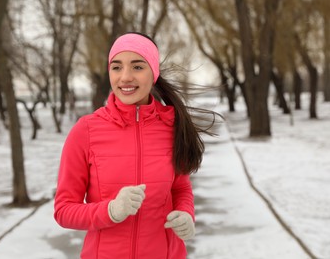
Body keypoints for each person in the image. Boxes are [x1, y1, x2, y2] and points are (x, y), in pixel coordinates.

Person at [54, 32, 217, 258]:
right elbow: (64, 210)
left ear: (154, 72)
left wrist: (185, 213)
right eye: (117, 67)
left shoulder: (172, 125)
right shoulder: (86, 131)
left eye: (138, 67)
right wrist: (110, 211)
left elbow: (180, 188)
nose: (125, 77)